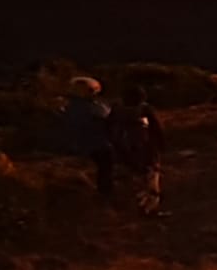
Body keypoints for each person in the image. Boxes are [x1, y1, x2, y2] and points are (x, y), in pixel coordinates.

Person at [110, 85, 166, 216]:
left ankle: (128, 207)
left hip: (123, 149)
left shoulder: (117, 110)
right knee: (151, 177)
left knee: (131, 177)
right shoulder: (145, 110)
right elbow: (157, 129)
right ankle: (149, 208)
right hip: (146, 150)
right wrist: (161, 145)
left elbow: (109, 128)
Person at [61, 77, 114, 199]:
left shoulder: (71, 107)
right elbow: (107, 116)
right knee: (106, 163)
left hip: (80, 143)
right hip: (96, 144)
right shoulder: (92, 107)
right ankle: (106, 193)